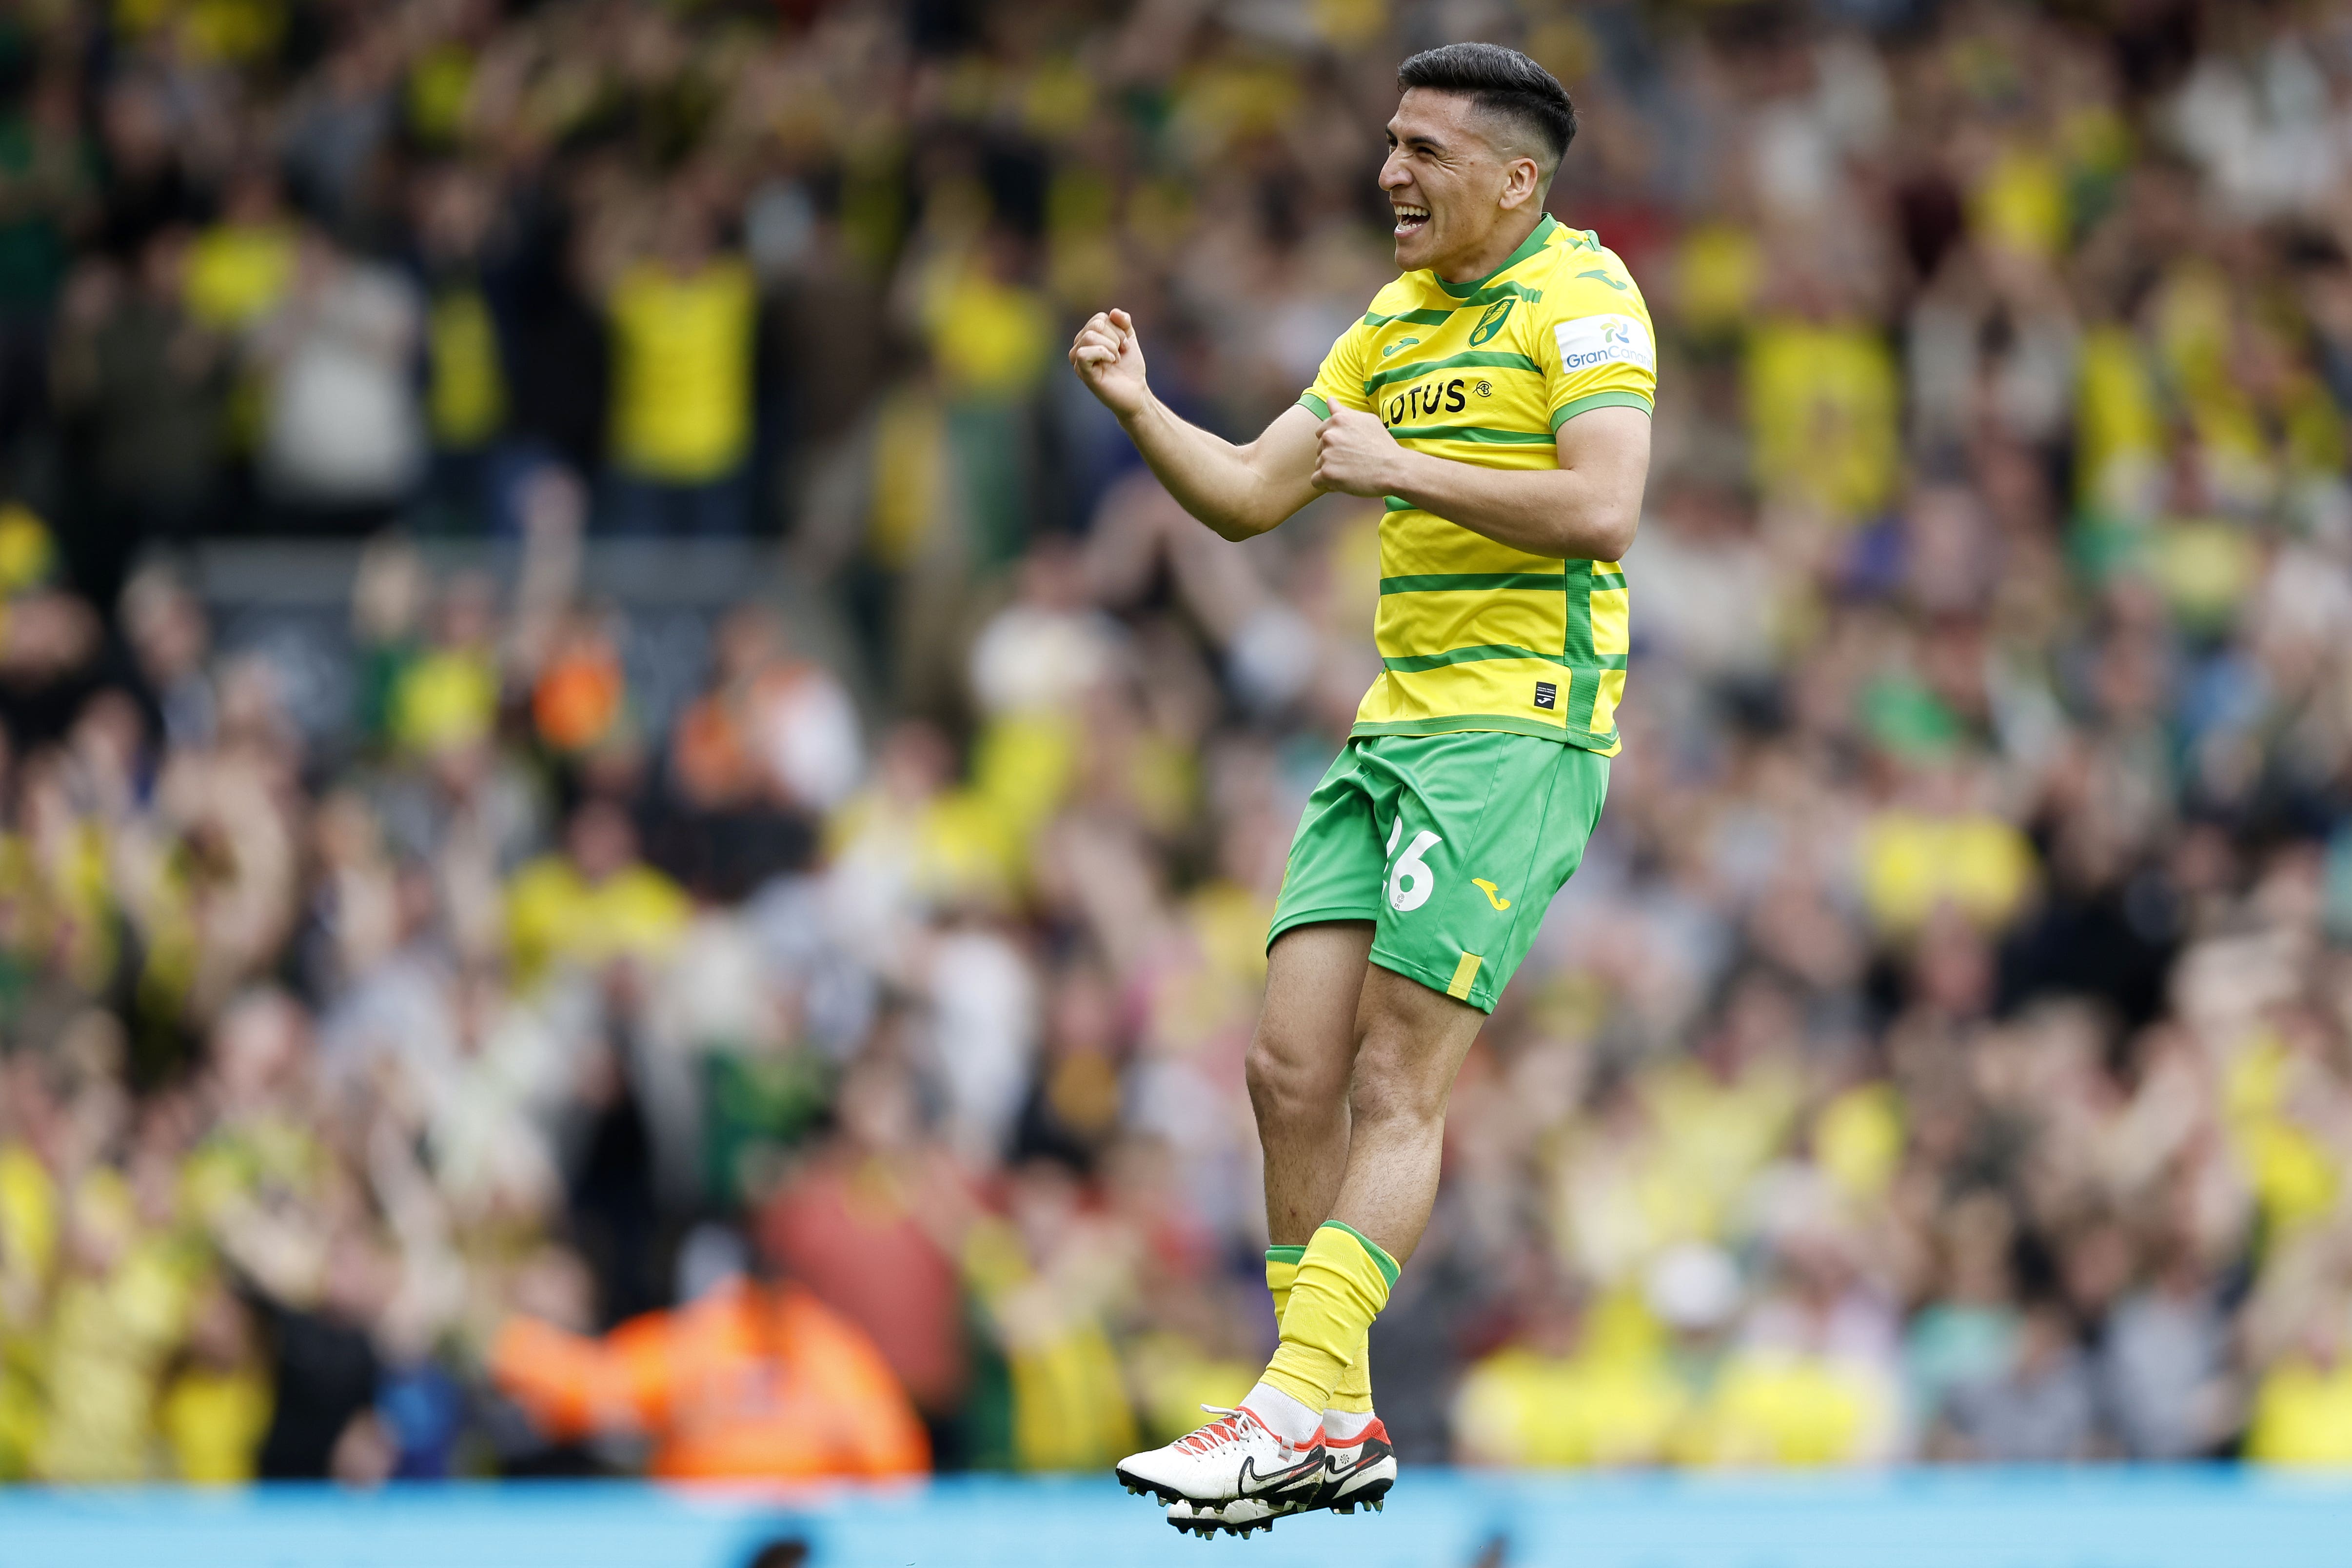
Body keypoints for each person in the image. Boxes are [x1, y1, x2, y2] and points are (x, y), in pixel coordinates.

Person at [1069, 43, 1653, 1536]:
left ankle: (1297, 1397)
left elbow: (1604, 508)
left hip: (1519, 733)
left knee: (1400, 1080)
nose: (1390, 172)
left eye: (1427, 151)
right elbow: (1259, 498)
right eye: (1390, 142)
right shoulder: (1391, 320)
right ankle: (1327, 1418)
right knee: (1282, 1071)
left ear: (1517, 179)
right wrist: (1142, 410)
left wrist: (1406, 470)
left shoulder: (1583, 301)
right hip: (1389, 735)